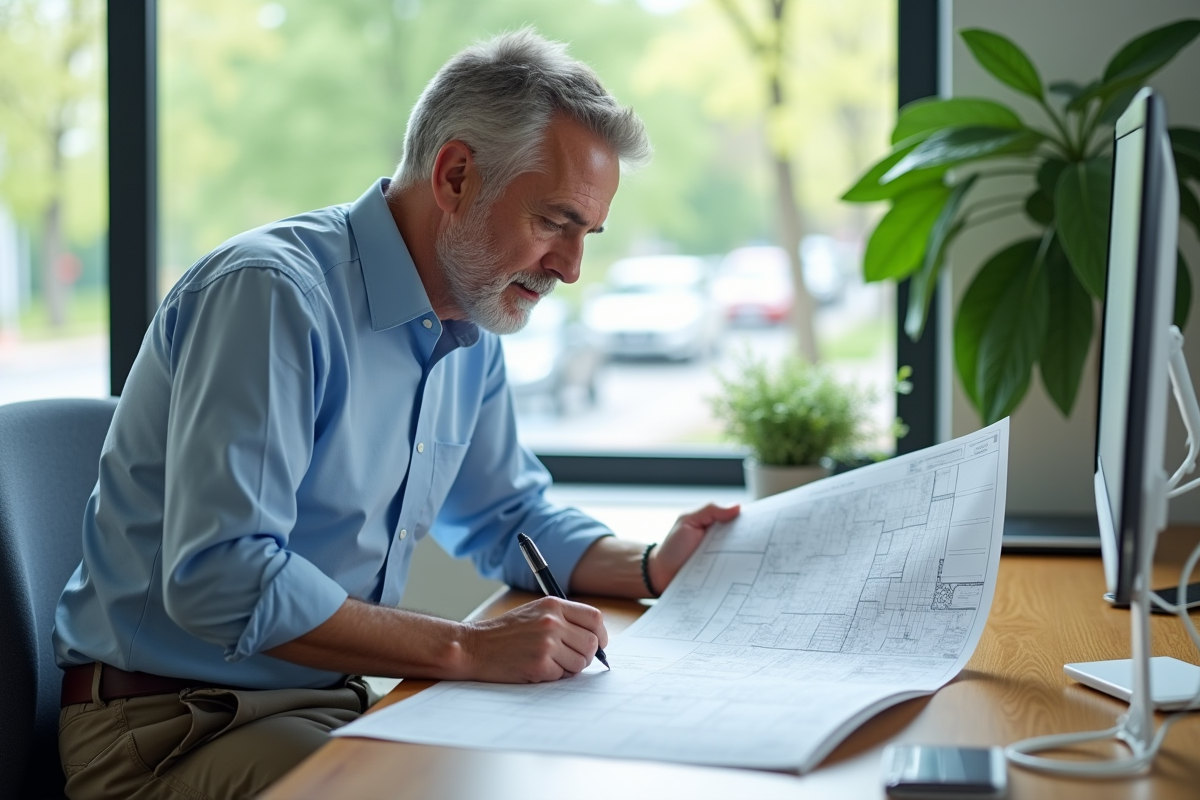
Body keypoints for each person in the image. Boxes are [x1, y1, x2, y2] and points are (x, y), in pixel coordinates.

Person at [52, 28, 739, 800]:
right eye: (555, 222)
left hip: (322, 704)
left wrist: (652, 564)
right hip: (172, 731)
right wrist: (468, 647)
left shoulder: (471, 325)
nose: (572, 270)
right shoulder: (273, 297)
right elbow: (223, 578)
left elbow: (506, 513)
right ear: (454, 176)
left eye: (588, 235)